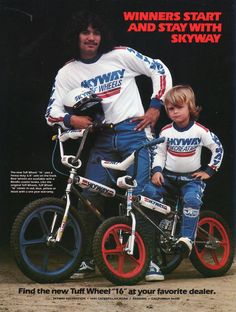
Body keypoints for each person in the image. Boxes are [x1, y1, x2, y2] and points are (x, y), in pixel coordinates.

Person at [45, 10, 172, 277]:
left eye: (96, 32)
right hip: (101, 139)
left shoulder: (120, 55)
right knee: (90, 195)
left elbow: (158, 68)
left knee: (142, 195)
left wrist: (155, 107)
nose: (91, 38)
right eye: (85, 32)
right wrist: (71, 119)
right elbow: (50, 113)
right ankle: (91, 259)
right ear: (75, 36)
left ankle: (148, 259)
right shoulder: (68, 72)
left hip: (134, 134)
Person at [142, 85, 224, 281]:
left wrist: (209, 170)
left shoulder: (199, 131)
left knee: (192, 199)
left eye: (179, 107)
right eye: (170, 109)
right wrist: (156, 171)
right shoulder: (166, 131)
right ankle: (152, 256)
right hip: (168, 178)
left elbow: (217, 147)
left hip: (190, 179)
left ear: (190, 107)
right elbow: (159, 153)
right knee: (149, 195)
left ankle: (187, 238)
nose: (175, 112)